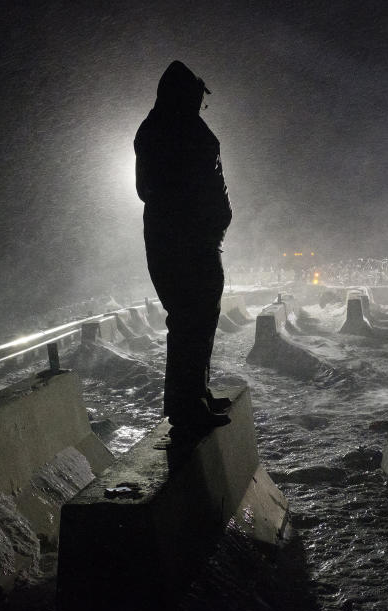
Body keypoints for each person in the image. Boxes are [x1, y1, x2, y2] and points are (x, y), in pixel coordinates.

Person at [134, 60, 232, 433]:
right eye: (195, 97)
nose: (198, 104)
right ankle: (185, 405)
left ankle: (196, 394)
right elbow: (153, 189)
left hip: (196, 240)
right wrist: (198, 219)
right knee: (190, 319)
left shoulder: (173, 126)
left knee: (200, 318)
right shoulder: (166, 130)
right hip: (183, 243)